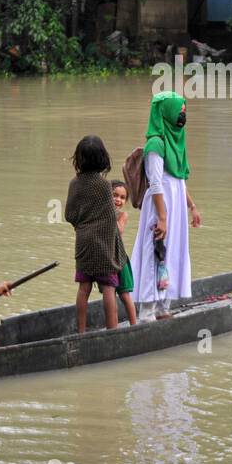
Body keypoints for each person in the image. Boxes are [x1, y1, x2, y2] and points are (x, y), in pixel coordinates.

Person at [131, 92, 202, 321]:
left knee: (171, 253)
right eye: (179, 111)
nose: (183, 115)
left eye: (184, 111)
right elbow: (156, 182)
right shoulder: (156, 143)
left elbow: (178, 180)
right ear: (167, 113)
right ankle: (147, 312)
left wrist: (192, 206)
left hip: (176, 209)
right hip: (160, 208)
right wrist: (162, 218)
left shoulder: (177, 140)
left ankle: (163, 308)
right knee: (156, 253)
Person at [65, 135, 132, 333]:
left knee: (83, 288)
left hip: (84, 243)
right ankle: (111, 332)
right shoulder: (104, 186)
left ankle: (81, 332)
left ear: (79, 159)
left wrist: (82, 226)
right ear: (103, 158)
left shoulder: (74, 184)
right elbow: (111, 217)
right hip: (104, 245)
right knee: (109, 289)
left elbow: (69, 214)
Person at [111, 180, 138, 326]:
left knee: (124, 294)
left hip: (120, 259)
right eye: (114, 195)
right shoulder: (100, 212)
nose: (118, 200)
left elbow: (119, 230)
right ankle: (113, 327)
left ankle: (134, 325)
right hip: (106, 259)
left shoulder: (122, 215)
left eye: (122, 197)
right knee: (110, 295)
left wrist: (109, 212)